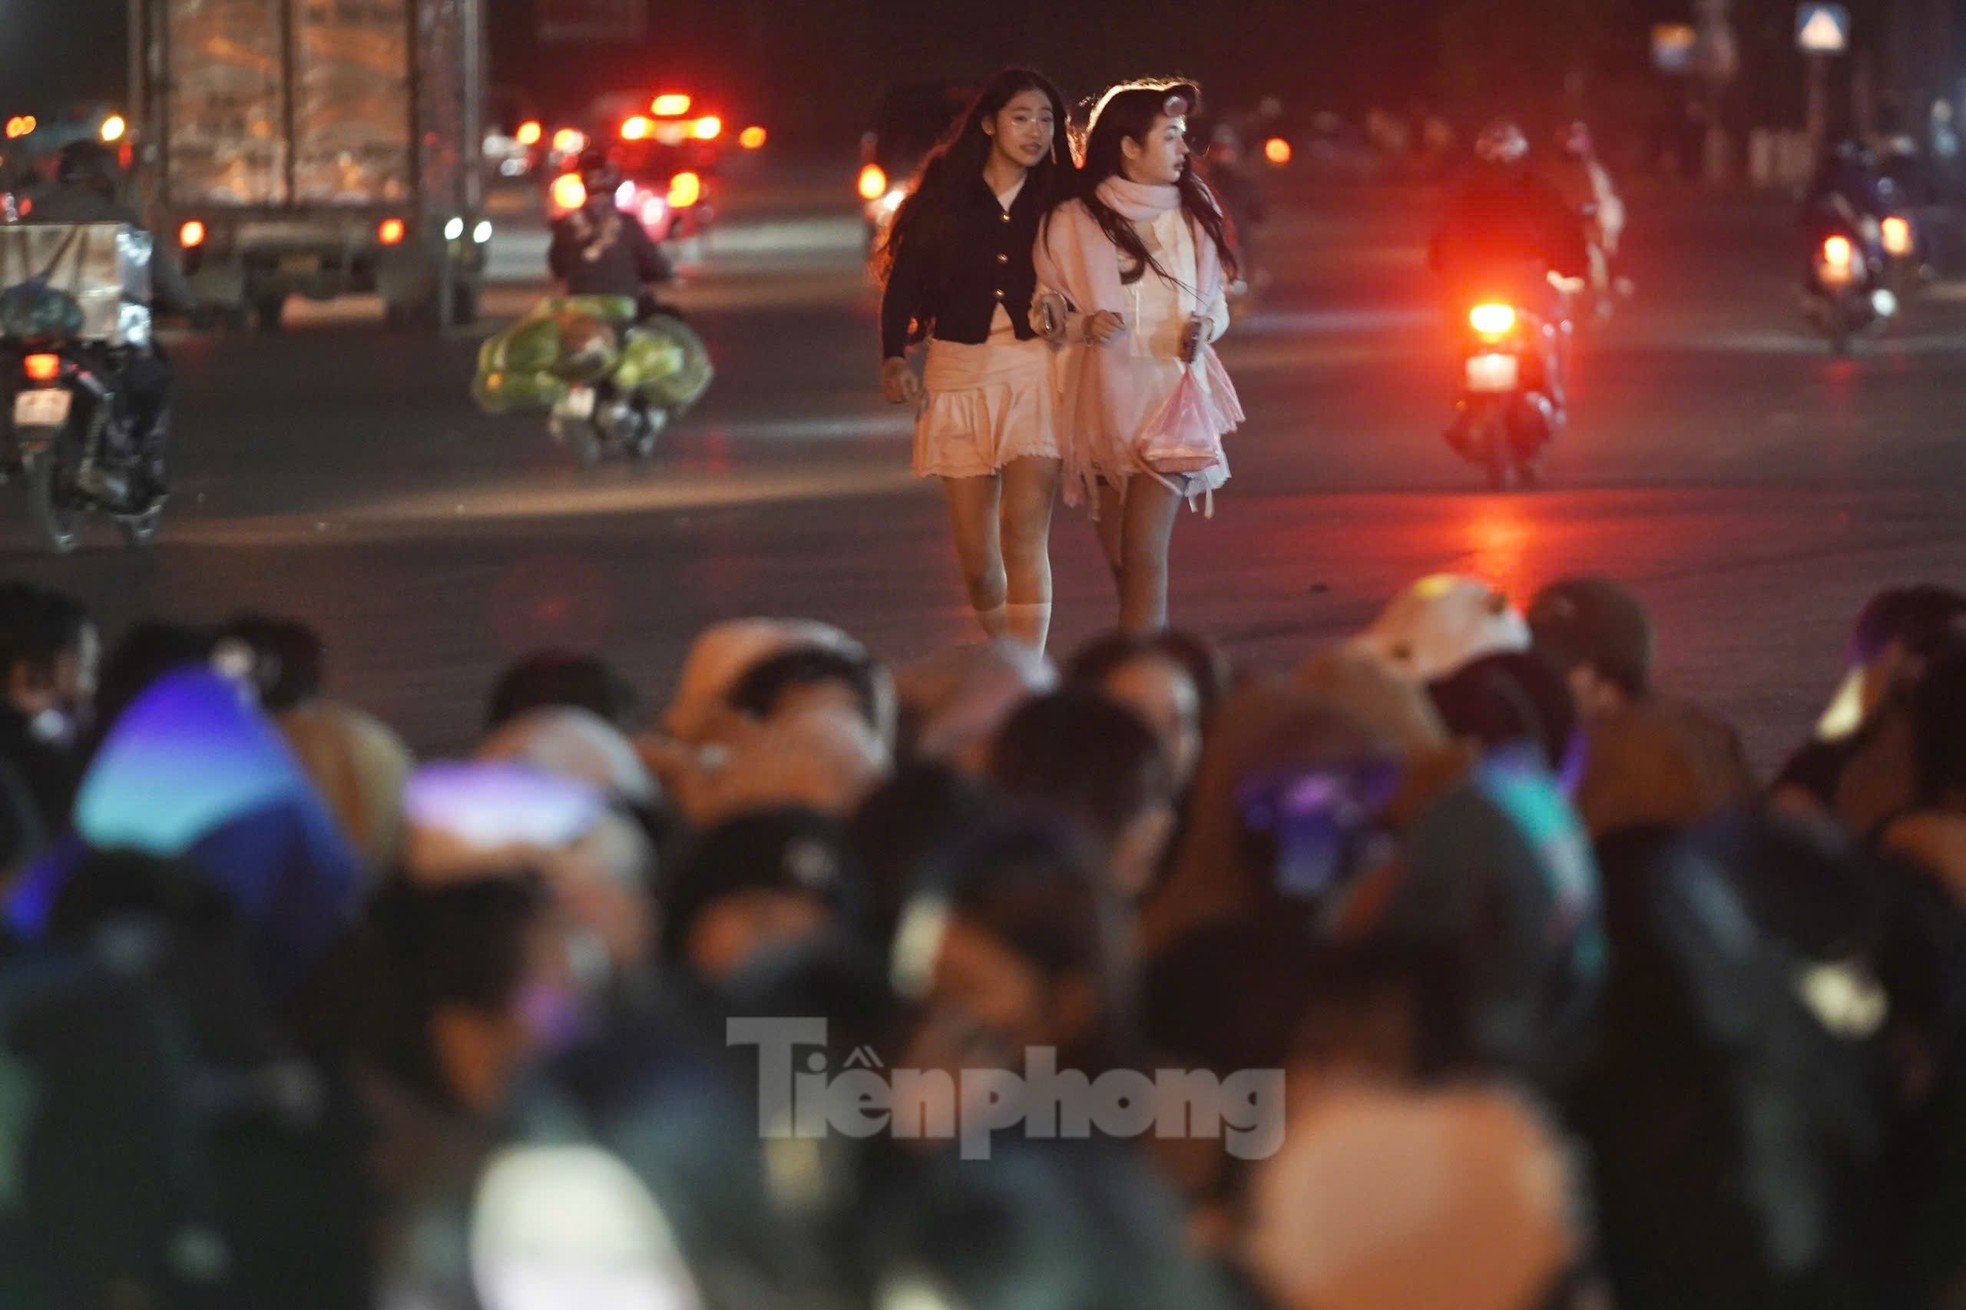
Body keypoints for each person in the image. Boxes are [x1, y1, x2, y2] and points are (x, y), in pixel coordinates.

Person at [1036, 80, 1244, 634]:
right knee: (1126, 564)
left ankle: (1143, 680)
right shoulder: (1074, 220)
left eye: (1183, 137)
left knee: (1145, 553)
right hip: (1103, 408)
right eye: (1170, 137)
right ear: (1129, 146)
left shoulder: (1197, 215)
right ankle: (1143, 667)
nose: (1183, 149)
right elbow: (1044, 311)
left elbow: (1216, 304)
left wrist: (1205, 326)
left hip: (1174, 405)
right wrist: (1081, 324)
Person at [877, 69, 1074, 652]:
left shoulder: (1062, 199)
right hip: (957, 374)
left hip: (1034, 370)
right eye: (1021, 117)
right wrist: (893, 357)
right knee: (978, 560)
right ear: (989, 124)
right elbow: (904, 283)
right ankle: (1004, 653)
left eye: (1046, 120)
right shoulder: (944, 196)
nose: (1035, 131)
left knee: (1024, 532)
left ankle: (1027, 676)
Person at [14, 140, 192, 508]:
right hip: (99, 337)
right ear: (105, 177)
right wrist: (189, 305)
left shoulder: (32, 219)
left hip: (29, 334)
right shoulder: (121, 220)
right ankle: (147, 474)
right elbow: (162, 274)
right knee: (153, 380)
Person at [1429, 121, 1588, 463]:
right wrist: (1446, 268)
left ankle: (1552, 393)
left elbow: (1565, 230)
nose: (1501, 167)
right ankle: (1467, 403)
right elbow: (1444, 240)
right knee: (1462, 338)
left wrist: (1571, 268)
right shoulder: (1468, 197)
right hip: (1481, 288)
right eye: (1494, 160)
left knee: (1555, 328)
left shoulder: (1538, 192)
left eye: (1506, 159)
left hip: (1529, 285)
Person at [547, 146, 675, 319]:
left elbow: (557, 267)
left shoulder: (567, 225)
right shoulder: (627, 224)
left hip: (579, 311)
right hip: (623, 310)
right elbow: (654, 265)